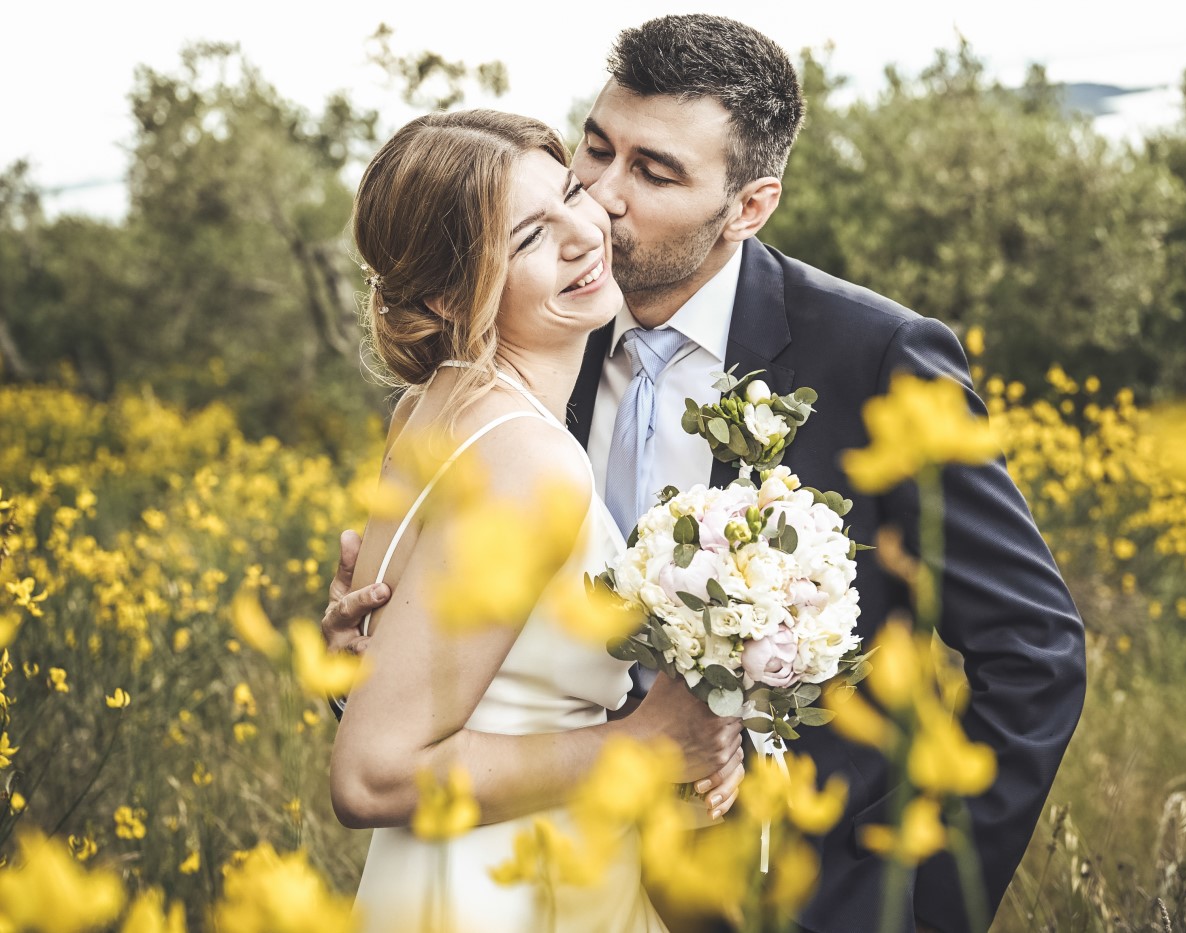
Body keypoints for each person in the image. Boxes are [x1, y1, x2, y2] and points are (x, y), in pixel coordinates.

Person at [325, 16, 1086, 933]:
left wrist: (920, 904)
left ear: (749, 206)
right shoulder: (533, 337)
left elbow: (1034, 653)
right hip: (546, 867)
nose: (601, 201)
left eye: (654, 172)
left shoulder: (875, 358)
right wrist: (362, 669)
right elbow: (437, 698)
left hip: (798, 890)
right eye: (594, 152)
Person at [329, 109, 745, 932]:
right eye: (525, 239)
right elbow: (369, 775)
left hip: (455, 867)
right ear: (450, 292)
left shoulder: (430, 406)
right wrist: (643, 743)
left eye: (568, 194)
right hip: (506, 886)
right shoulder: (531, 461)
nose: (585, 234)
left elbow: (423, 677)